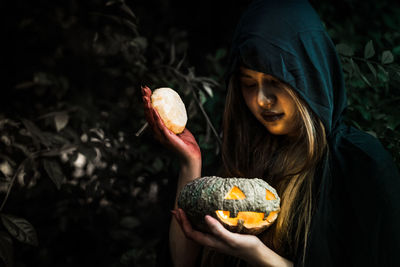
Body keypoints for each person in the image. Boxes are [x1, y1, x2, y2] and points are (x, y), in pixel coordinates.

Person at [142, 0, 400, 266]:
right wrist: (190, 163)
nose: (262, 100)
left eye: (276, 83)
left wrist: (257, 254)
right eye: (249, 84)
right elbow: (182, 263)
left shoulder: (361, 165)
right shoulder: (243, 162)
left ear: (308, 77)